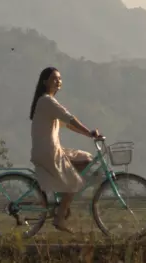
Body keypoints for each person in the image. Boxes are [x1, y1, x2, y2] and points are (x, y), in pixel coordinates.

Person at [29, 66, 101, 232]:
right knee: (75, 182)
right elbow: (70, 118)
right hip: (49, 152)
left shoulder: (47, 102)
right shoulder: (47, 101)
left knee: (87, 159)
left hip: (52, 149)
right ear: (45, 81)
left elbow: (67, 124)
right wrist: (89, 132)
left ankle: (63, 202)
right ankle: (60, 216)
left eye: (59, 78)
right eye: (54, 78)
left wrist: (88, 135)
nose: (58, 81)